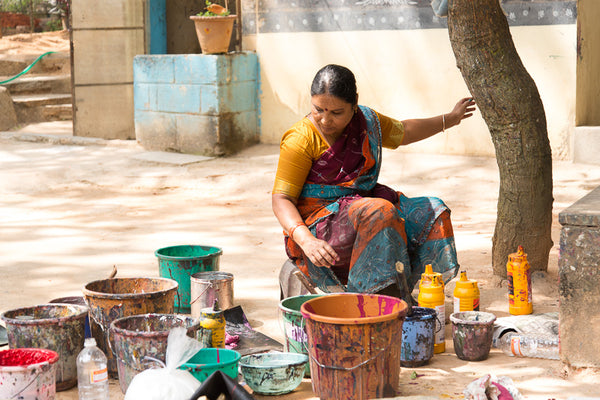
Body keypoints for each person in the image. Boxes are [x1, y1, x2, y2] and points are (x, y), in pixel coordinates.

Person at [272, 64, 476, 305]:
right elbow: (281, 199)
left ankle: (407, 291)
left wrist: (450, 119)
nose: (325, 119)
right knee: (380, 211)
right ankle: (368, 303)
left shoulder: (367, 121)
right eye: (318, 109)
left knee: (432, 210)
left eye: (336, 112)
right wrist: (307, 240)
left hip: (359, 209)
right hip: (319, 224)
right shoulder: (300, 139)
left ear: (354, 104)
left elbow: (404, 132)